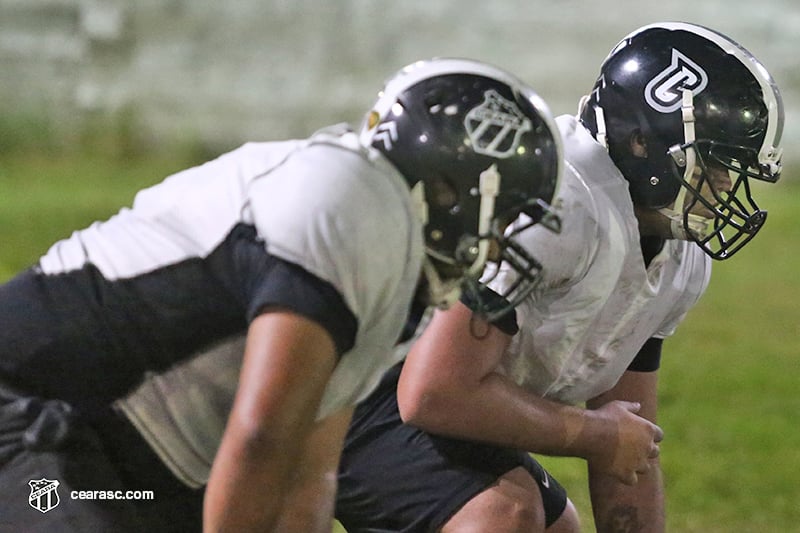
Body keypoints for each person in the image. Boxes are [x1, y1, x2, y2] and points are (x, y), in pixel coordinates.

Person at [0, 58, 564, 532]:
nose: (497, 244)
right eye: (505, 213)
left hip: (138, 461)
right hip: (39, 409)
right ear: (451, 188)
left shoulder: (394, 272)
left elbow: (306, 475)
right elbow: (261, 437)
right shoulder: (348, 199)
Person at [335, 22, 784, 533]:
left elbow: (629, 441)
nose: (727, 183)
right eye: (716, 161)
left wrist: (608, 438)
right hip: (354, 384)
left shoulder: (679, 255)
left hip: (428, 400)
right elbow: (434, 391)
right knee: (504, 515)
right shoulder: (563, 203)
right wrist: (593, 434)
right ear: (643, 142)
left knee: (555, 526)